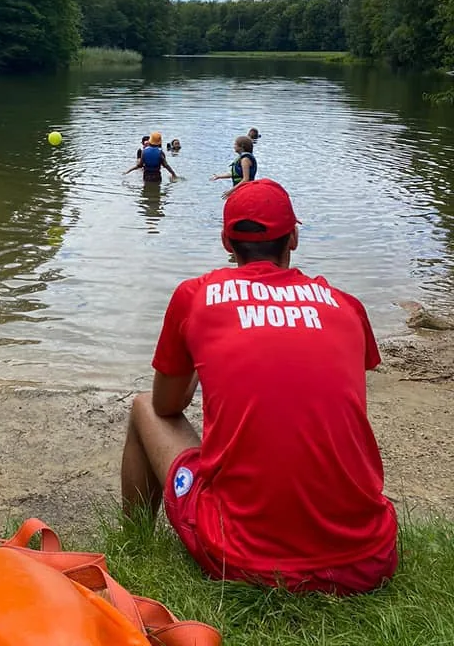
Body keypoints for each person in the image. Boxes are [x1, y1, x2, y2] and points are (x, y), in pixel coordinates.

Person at [120, 179, 398, 596]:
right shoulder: (347, 306)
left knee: (144, 406)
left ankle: (133, 541)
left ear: (226, 242)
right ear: (294, 238)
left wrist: (200, 351)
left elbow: (167, 404)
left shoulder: (196, 296)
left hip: (243, 560)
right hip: (368, 558)